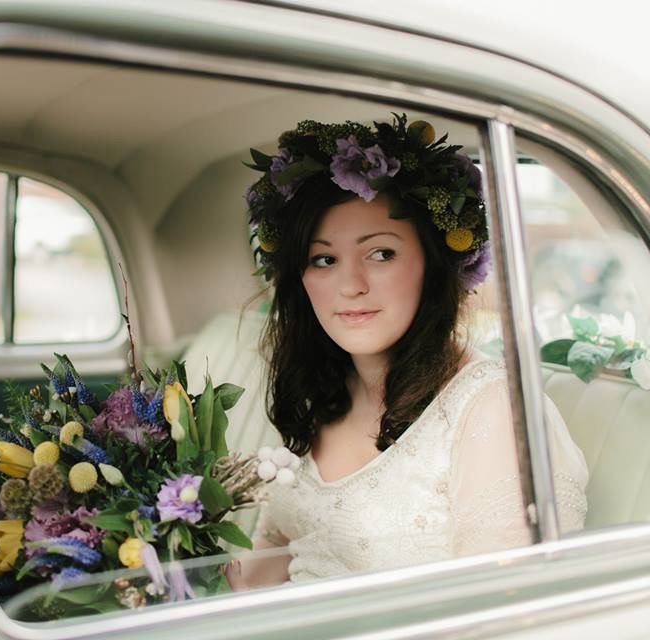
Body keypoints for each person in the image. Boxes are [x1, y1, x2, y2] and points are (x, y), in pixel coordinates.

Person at [229, 115, 588, 587]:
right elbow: (281, 553)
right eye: (324, 259)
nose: (351, 286)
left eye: (381, 254)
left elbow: (505, 612)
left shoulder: (493, 411)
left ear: (432, 265)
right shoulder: (321, 392)